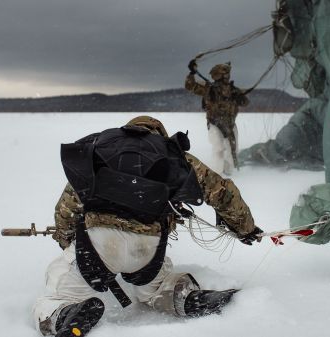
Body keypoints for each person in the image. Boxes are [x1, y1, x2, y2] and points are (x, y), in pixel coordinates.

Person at [33, 116, 263, 337]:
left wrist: (69, 244)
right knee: (156, 287)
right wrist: (245, 229)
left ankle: (64, 314)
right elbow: (223, 192)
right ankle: (183, 297)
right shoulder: (172, 155)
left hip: (96, 243)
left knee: (58, 290)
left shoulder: (100, 153)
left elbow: (65, 209)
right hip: (148, 248)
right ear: (159, 134)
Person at [185, 61, 249, 175]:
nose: (227, 76)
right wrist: (191, 73)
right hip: (215, 124)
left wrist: (240, 98)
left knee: (232, 150)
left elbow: (245, 102)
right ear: (218, 75)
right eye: (225, 74)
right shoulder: (209, 88)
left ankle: (230, 174)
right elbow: (190, 86)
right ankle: (216, 175)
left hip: (230, 124)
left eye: (227, 74)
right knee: (218, 149)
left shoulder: (233, 89)